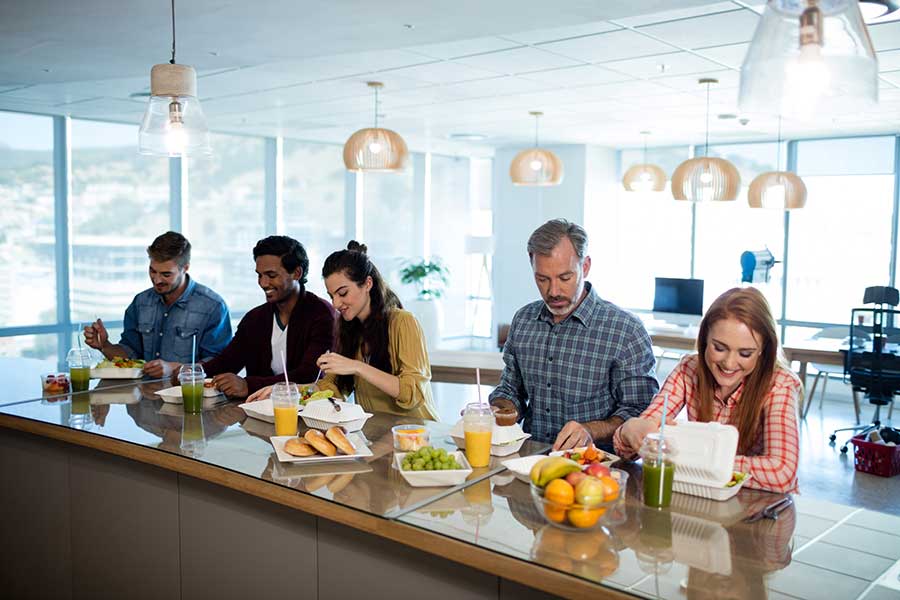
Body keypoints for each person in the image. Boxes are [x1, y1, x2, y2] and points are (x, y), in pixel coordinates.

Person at [489, 219, 658, 451]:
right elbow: (511, 389)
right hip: (529, 461)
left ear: (585, 266)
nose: (553, 291)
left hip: (595, 469)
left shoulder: (625, 330)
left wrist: (590, 430)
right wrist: (499, 410)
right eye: (542, 279)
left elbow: (640, 412)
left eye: (565, 277)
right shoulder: (523, 320)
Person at [613, 287, 801, 494]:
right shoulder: (689, 369)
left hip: (761, 505)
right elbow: (630, 445)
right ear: (704, 340)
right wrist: (630, 429)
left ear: (763, 351)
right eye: (719, 348)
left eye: (745, 353)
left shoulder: (780, 384)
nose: (729, 363)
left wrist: (698, 460)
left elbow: (783, 473)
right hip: (704, 494)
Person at [249, 241, 438, 420]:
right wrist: (286, 390)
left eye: (343, 293)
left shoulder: (402, 322)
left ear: (367, 284)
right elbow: (332, 388)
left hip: (418, 435)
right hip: (377, 436)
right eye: (331, 296)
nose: (336, 303)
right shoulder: (349, 328)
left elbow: (412, 393)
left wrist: (357, 366)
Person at [83, 231, 232, 379]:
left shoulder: (213, 307)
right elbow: (130, 357)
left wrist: (176, 369)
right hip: (143, 398)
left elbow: (220, 365)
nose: (157, 280)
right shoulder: (140, 303)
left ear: (185, 268)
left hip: (188, 398)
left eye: (166, 274)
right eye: (152, 271)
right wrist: (105, 345)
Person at [202, 236, 336, 398]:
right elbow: (227, 362)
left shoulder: (321, 314)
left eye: (271, 275)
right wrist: (189, 372)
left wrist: (248, 385)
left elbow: (308, 375)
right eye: (259, 275)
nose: (263, 283)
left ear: (297, 273)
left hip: (306, 411)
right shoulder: (254, 318)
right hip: (258, 410)